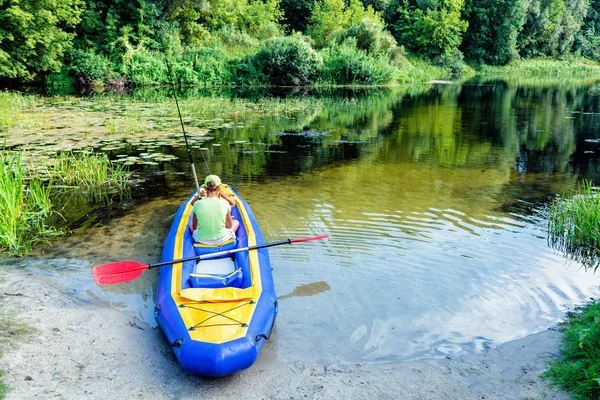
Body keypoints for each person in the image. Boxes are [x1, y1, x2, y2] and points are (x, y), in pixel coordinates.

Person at [189, 175, 239, 245]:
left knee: (191, 224)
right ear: (219, 188)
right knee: (236, 222)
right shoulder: (225, 203)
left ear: (204, 188)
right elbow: (229, 226)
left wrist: (198, 196)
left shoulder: (197, 204)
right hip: (222, 239)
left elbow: (194, 227)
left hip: (201, 240)